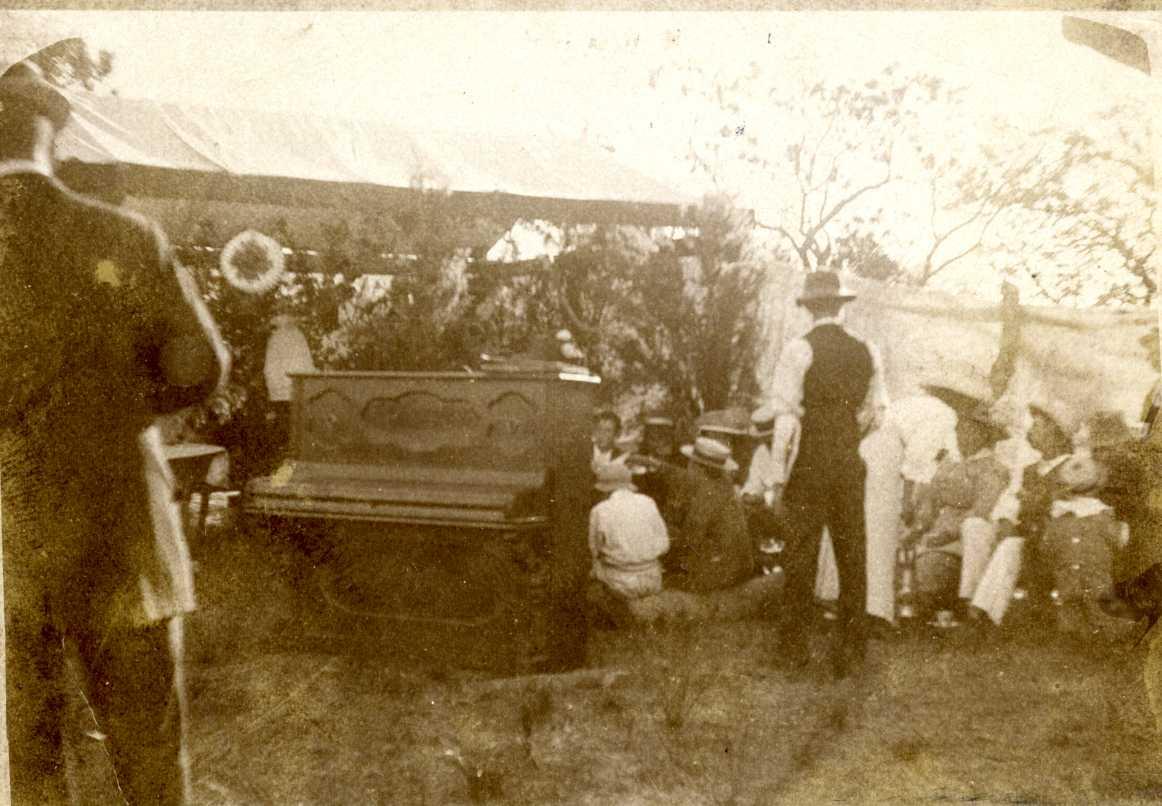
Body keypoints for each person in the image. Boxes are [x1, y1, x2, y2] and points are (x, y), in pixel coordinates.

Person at [0, 61, 228, 804]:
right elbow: (201, 370)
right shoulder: (124, 235)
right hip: (122, 540)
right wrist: (114, 410)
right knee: (152, 765)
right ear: (53, 138)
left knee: (29, 765)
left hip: (10, 549)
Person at [768, 271, 887, 679]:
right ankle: (852, 648)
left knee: (800, 554)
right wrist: (848, 435)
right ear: (839, 306)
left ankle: (792, 648)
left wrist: (777, 477)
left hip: (811, 464)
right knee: (852, 553)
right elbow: (877, 414)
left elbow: (785, 418)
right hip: (849, 463)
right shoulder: (867, 350)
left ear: (809, 308)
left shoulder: (798, 350)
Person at [860, 391, 960, 631]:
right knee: (882, 537)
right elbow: (914, 465)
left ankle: (876, 608)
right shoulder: (945, 417)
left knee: (879, 536)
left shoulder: (939, 421)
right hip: (885, 458)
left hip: (880, 452)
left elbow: (923, 471)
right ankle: (878, 612)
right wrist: (906, 504)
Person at [664, 437, 754, 594]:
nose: (688, 466)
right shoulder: (723, 481)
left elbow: (691, 540)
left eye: (690, 463)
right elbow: (680, 475)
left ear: (699, 467)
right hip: (741, 564)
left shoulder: (706, 496)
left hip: (721, 571)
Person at [586, 463, 670, 627]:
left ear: (605, 490)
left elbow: (594, 550)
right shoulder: (648, 502)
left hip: (620, 582)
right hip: (653, 578)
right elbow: (665, 543)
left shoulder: (600, 510)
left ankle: (620, 614)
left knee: (591, 575)